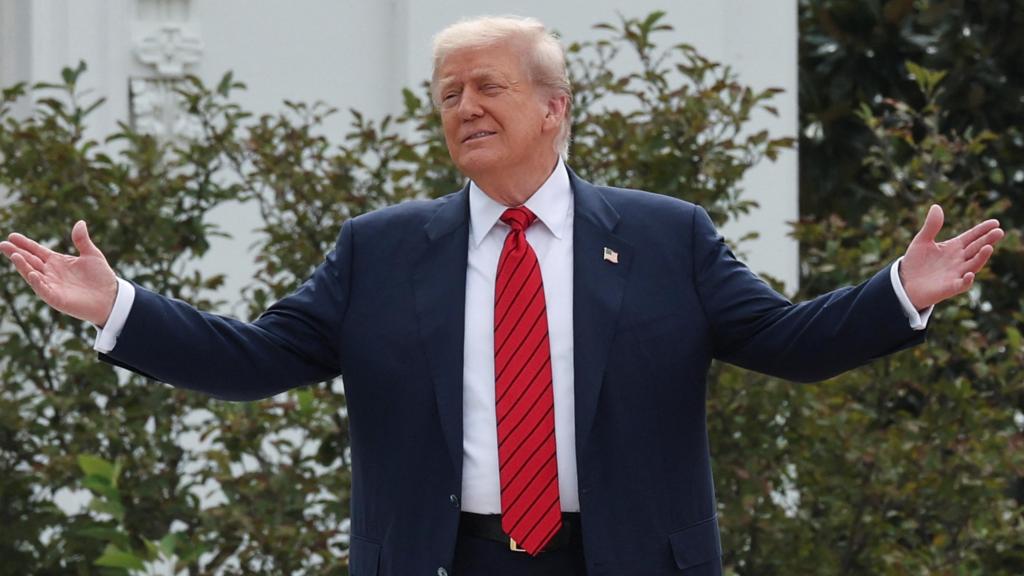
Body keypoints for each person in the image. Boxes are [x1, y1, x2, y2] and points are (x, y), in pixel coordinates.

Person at [0, 16, 1004, 576]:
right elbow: (257, 359)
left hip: (619, 560)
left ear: (555, 108)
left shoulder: (664, 237)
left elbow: (784, 341)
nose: (465, 107)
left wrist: (895, 293)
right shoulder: (382, 251)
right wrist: (117, 307)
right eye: (447, 95)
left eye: (488, 87)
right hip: (448, 558)